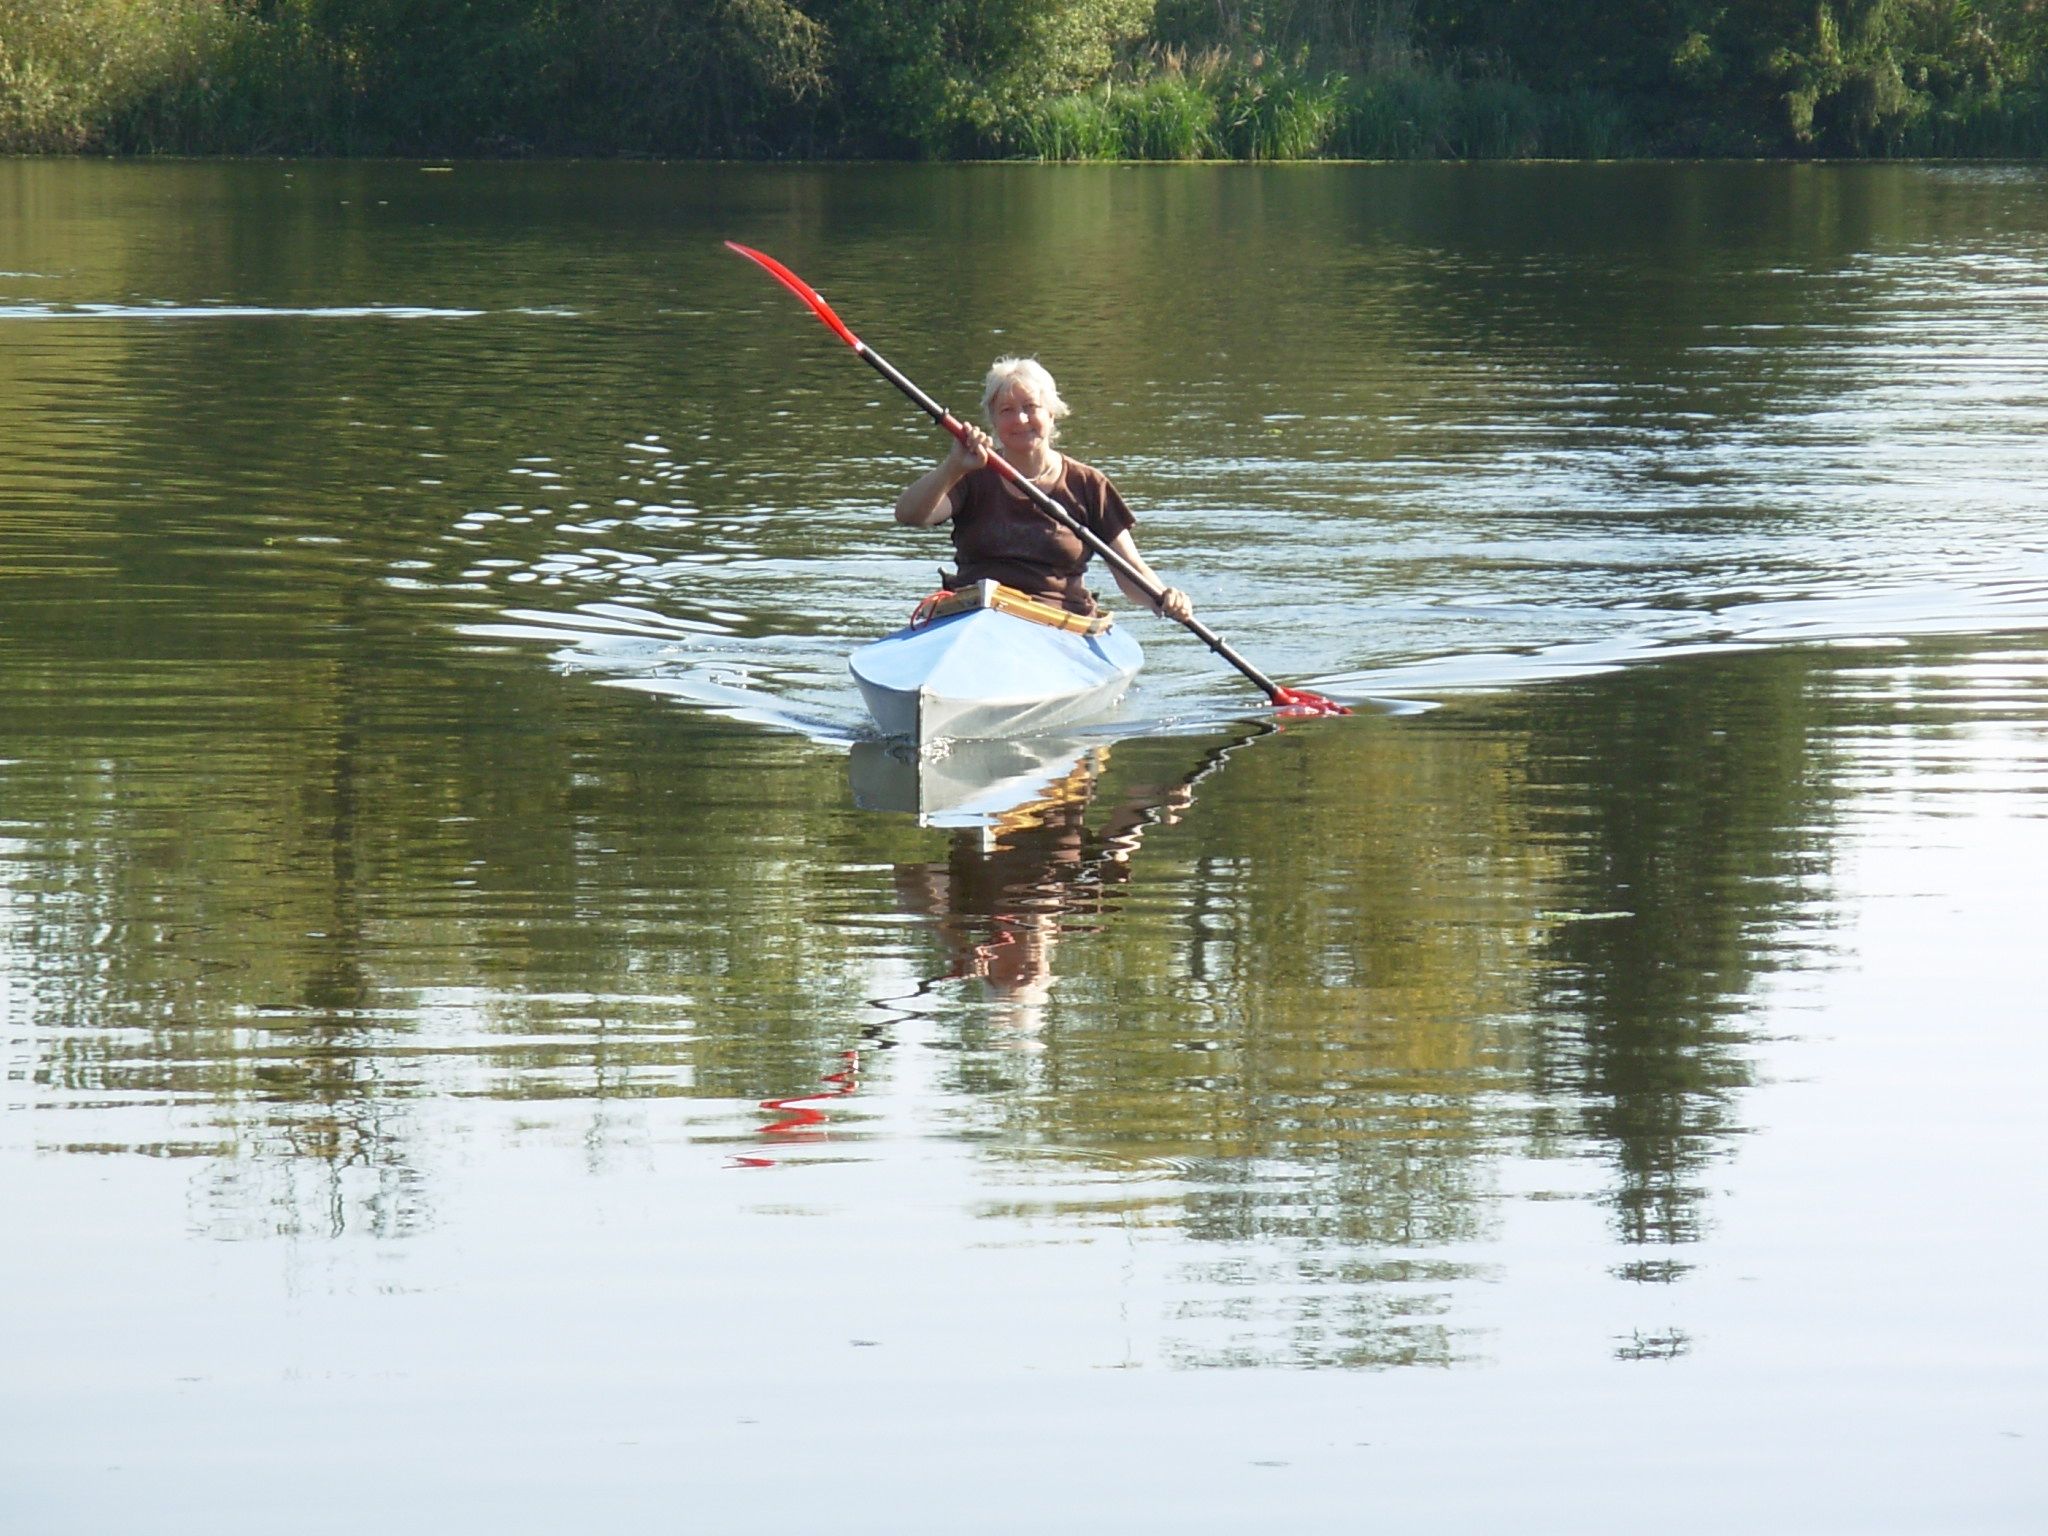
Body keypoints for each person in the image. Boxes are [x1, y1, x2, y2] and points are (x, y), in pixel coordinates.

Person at [893, 357, 1194, 623]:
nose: (1020, 419)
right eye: (1007, 410)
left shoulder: (1088, 484)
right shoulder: (971, 475)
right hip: (974, 616)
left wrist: (1163, 598)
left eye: (1030, 407)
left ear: (1051, 413)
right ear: (994, 421)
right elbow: (910, 515)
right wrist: (953, 466)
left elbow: (1129, 568)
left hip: (1057, 622)